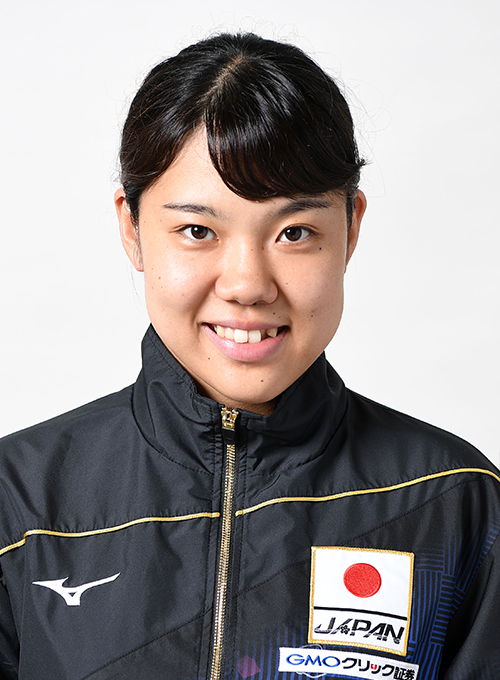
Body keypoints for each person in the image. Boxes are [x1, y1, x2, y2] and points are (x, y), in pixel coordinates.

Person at [0, 32, 498, 680]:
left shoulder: (452, 503)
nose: (247, 285)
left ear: (351, 229)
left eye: (295, 232)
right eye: (197, 230)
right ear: (132, 228)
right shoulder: (21, 505)